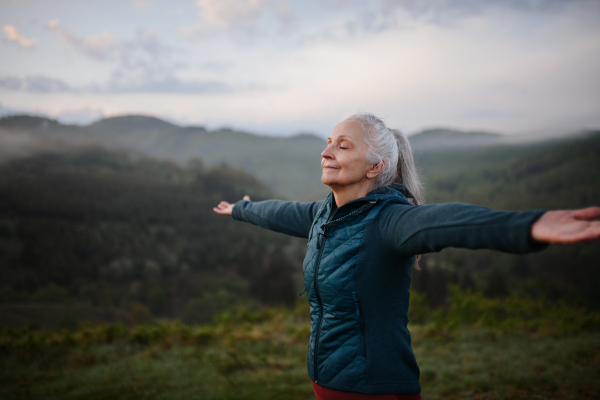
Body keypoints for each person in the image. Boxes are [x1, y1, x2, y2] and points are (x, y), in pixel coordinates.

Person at [213, 113, 600, 399]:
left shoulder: (390, 221)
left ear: (376, 167)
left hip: (376, 388)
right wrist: (242, 209)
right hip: (326, 381)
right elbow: (279, 212)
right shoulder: (321, 215)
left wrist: (529, 225)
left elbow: (448, 222)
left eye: (343, 146)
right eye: (329, 141)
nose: (326, 151)